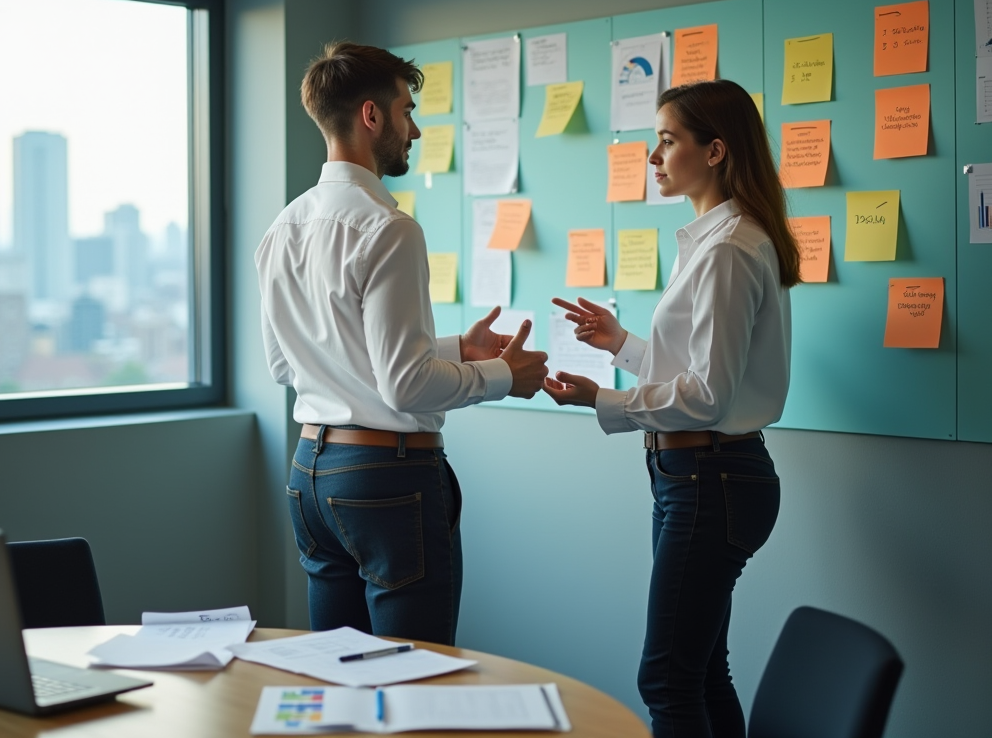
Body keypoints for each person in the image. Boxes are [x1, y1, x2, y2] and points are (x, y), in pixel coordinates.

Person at [255, 42, 548, 646]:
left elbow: (292, 363)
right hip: (386, 479)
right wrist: (501, 375)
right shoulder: (389, 228)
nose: (413, 130)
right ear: (371, 116)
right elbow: (404, 384)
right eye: (407, 111)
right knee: (416, 678)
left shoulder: (282, 227)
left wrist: (453, 348)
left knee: (340, 675)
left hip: (311, 473)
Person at [545, 79, 799, 738]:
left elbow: (708, 396)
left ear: (715, 151)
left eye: (667, 141)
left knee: (666, 679)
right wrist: (622, 344)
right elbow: (701, 376)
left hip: (711, 477)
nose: (654, 157)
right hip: (700, 475)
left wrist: (603, 398)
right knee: (701, 672)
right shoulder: (718, 241)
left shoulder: (729, 249)